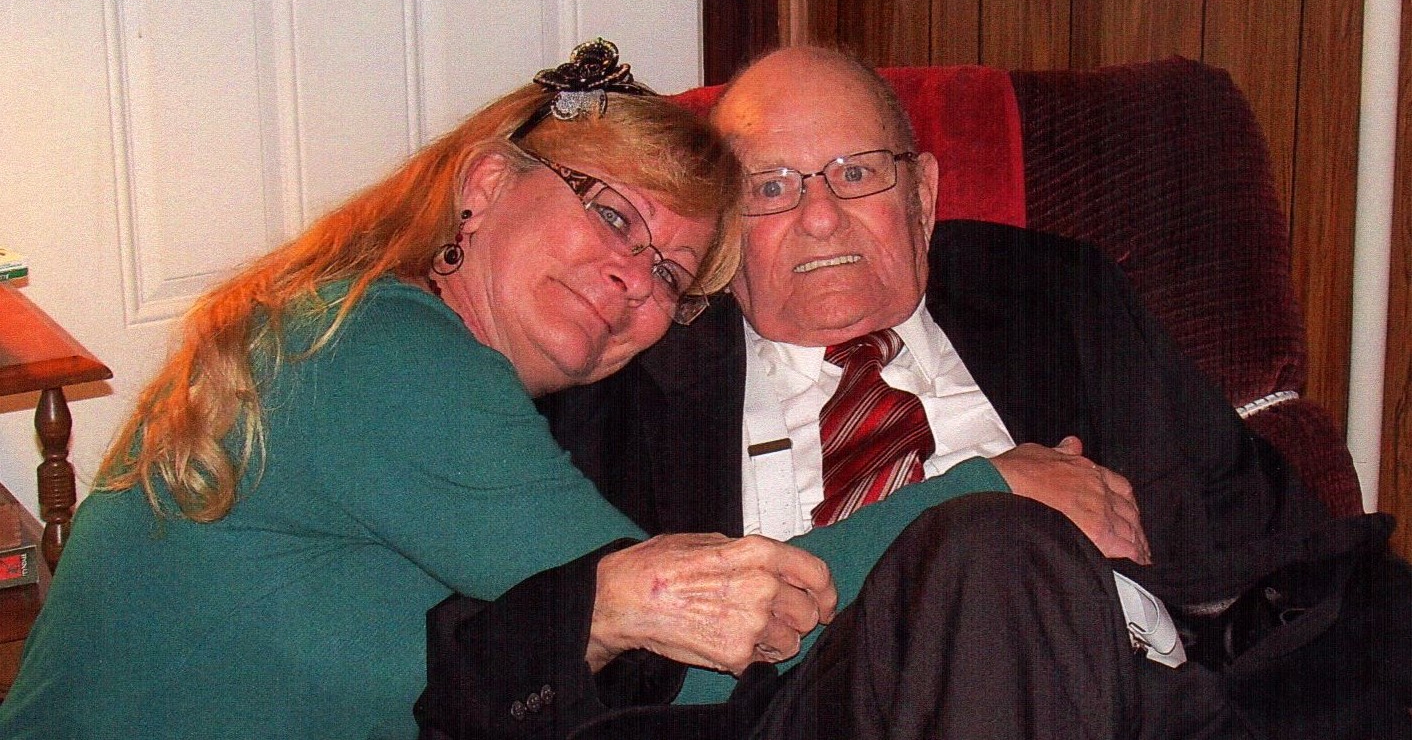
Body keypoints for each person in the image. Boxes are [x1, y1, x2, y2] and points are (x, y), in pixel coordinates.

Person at [525, 46, 1411, 738]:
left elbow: (1269, 534)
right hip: (809, 713)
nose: (820, 216)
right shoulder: (637, 382)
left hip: (1137, 695)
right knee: (993, 551)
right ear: (723, 233)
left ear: (923, 195)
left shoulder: (1055, 296)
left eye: (857, 172)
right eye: (771, 187)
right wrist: (990, 500)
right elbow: (573, 658)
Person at [0, 39, 862, 740]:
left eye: (670, 272)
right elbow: (688, 659)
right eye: (612, 215)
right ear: (485, 185)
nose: (635, 278)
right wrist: (948, 511)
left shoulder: (360, 327)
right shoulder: (389, 354)